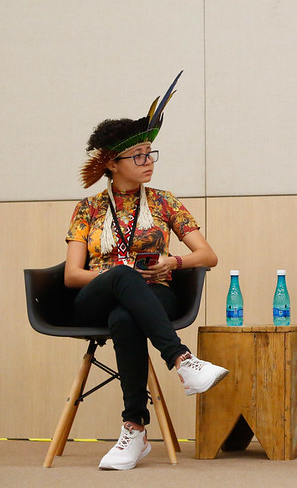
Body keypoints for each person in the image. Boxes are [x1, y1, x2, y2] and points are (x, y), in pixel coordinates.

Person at [65, 73, 229, 470]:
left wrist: (174, 261)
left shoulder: (163, 201)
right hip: (94, 298)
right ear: (113, 164)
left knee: (126, 318)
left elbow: (208, 256)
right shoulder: (89, 209)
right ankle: (182, 360)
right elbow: (72, 275)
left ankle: (134, 428)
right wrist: (117, 276)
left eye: (150, 153)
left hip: (156, 295)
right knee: (120, 276)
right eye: (138, 155)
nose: (147, 162)